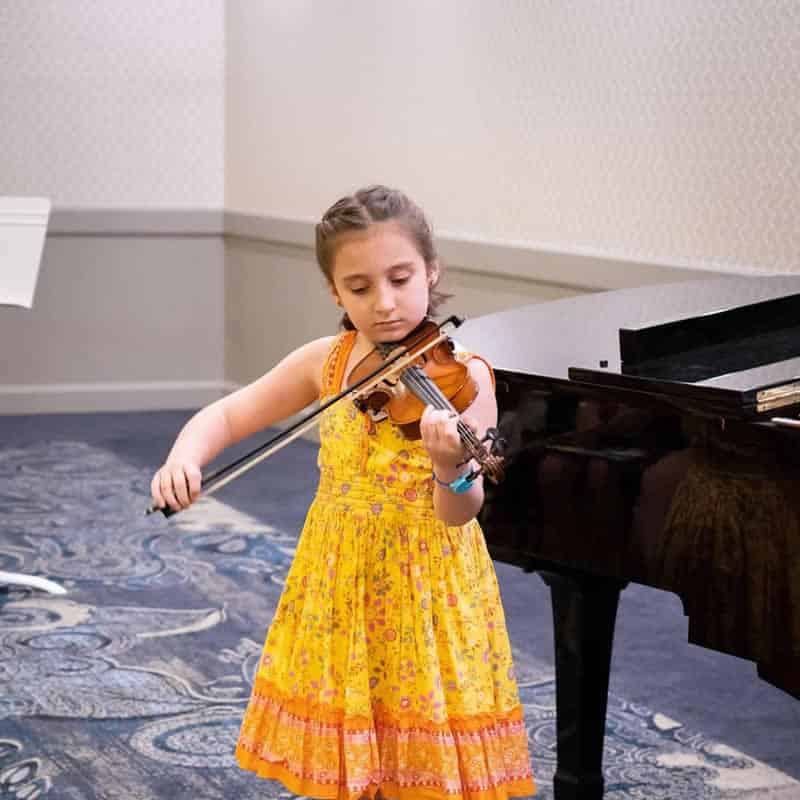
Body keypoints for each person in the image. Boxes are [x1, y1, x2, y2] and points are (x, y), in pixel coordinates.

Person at [150, 185, 536, 800]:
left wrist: (446, 468)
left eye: (401, 278)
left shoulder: (467, 378)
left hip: (427, 583)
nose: (384, 304)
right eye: (359, 288)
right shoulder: (324, 363)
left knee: (423, 754)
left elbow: (462, 511)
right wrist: (184, 457)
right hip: (339, 576)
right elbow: (227, 416)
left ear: (431, 273)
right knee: (348, 749)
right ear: (335, 291)